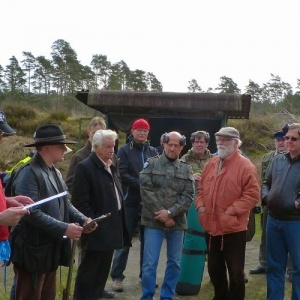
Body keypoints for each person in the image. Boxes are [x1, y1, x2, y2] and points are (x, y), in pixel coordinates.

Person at [8, 124, 96, 300]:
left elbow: (65, 202)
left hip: (48, 251)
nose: (65, 149)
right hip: (32, 252)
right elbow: (31, 212)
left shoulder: (54, 171)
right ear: (47, 147)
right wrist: (64, 228)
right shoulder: (28, 173)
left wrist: (83, 219)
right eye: (61, 145)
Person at [196, 127, 260, 300]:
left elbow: (253, 195)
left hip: (233, 229)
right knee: (214, 269)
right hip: (211, 227)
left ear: (235, 143)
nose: (221, 143)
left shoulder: (246, 166)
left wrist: (231, 211)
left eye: (225, 140)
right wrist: (201, 208)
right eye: (219, 139)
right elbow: (200, 188)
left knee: (236, 272)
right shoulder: (211, 163)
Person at [71, 129, 131, 300]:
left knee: (101, 276)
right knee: (88, 275)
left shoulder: (111, 164)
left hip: (111, 227)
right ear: (96, 147)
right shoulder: (85, 167)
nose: (112, 150)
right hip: (96, 228)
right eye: (107, 147)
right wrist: (91, 222)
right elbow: (80, 202)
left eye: (113, 146)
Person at [139, 131, 194, 300]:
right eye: (169, 144)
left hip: (176, 223)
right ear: (163, 144)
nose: (172, 147)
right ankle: (147, 296)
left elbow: (188, 196)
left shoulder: (186, 169)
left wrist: (170, 213)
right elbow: (145, 190)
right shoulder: (151, 164)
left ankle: (167, 296)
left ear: (182, 147)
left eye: (176, 145)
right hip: (153, 221)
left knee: (174, 263)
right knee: (149, 263)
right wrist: (162, 214)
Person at [65, 116, 115, 299]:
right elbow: (71, 185)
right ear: (89, 135)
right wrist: (84, 214)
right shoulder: (80, 157)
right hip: (88, 217)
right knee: (88, 263)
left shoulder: (111, 158)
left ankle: (97, 290)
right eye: (95, 134)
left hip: (107, 221)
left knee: (101, 264)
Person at [110, 118, 158, 292]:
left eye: (145, 131)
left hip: (148, 205)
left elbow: (157, 174)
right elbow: (121, 174)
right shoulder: (123, 151)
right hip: (130, 202)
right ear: (132, 131)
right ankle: (116, 277)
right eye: (139, 130)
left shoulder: (153, 151)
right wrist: (141, 184)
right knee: (124, 241)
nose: (142, 133)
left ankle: (144, 276)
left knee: (148, 243)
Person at [262, 123, 300, 300]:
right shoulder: (277, 160)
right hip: (273, 220)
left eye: (294, 138)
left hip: (296, 222)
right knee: (274, 266)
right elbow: (265, 183)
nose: (288, 141)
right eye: (286, 138)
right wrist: (265, 198)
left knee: (298, 269)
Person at [250, 131, 286, 276]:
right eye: (278, 140)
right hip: (268, 203)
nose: (281, 142)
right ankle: (264, 264)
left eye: (283, 139)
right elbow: (262, 181)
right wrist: (263, 199)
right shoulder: (267, 157)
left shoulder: (293, 157)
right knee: (266, 234)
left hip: (287, 204)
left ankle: (290, 270)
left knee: (288, 237)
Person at [65, 116, 106, 192]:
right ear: (89, 133)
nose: (97, 136)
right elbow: (69, 184)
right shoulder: (79, 157)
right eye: (94, 133)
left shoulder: (109, 156)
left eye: (101, 133)